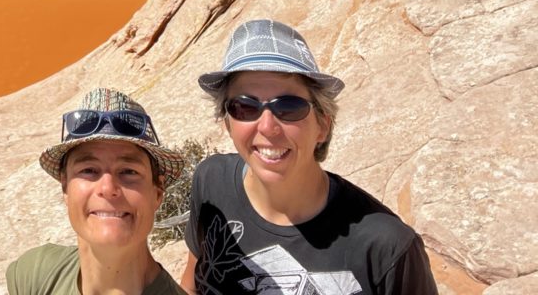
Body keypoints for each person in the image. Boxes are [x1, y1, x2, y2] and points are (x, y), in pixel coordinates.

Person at [180, 19, 438, 294]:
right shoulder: (211, 183)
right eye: (244, 106)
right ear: (227, 122)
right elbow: (193, 284)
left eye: (289, 107)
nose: (267, 127)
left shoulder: (387, 247)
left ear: (322, 126)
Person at [7, 87, 188, 295]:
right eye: (89, 170)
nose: (107, 188)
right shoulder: (35, 274)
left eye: (129, 171)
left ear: (157, 193)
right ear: (65, 187)